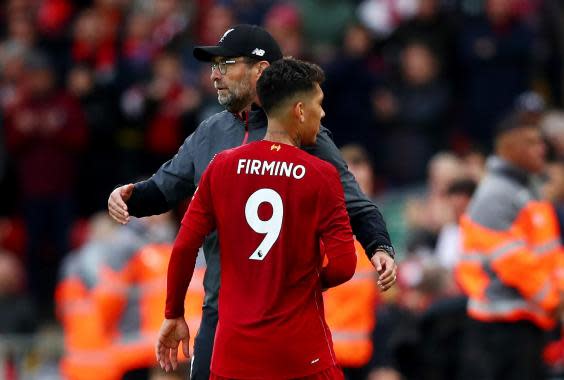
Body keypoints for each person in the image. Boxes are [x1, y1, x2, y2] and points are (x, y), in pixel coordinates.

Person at [108, 24, 397, 380]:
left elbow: (356, 203)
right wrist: (129, 196)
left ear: (261, 70)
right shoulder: (211, 132)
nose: (215, 75)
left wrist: (378, 244)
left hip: (283, 319)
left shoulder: (305, 135)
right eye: (214, 66)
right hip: (223, 316)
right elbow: (162, 189)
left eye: (226, 64)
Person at [157, 58, 356, 379]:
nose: (323, 113)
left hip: (233, 355)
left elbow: (183, 247)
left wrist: (174, 313)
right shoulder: (321, 175)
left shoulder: (220, 167)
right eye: (319, 104)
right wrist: (304, 287)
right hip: (301, 355)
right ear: (300, 111)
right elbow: (345, 265)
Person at [456, 109, 564, 380]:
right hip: (500, 329)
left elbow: (550, 253)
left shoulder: (527, 189)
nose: (541, 149)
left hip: (527, 322)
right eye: (532, 142)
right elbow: (515, 264)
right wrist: (556, 302)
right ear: (508, 147)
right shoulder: (496, 194)